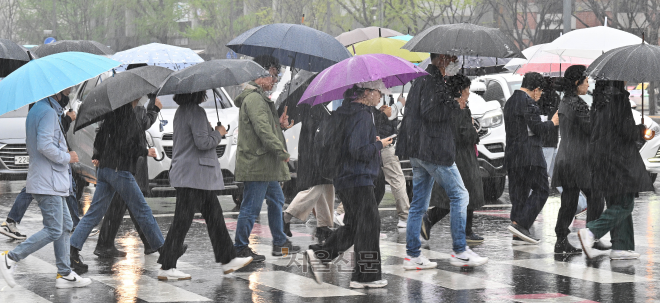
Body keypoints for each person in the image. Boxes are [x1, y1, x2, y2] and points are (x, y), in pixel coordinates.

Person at [396, 53, 488, 269]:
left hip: (419, 149)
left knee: (419, 203)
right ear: (440, 59)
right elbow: (431, 112)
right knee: (460, 194)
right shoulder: (432, 81)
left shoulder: (423, 79)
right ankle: (459, 249)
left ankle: (413, 255)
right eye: (451, 57)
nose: (454, 61)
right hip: (433, 149)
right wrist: (454, 104)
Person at [156, 91, 253, 280]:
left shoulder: (182, 111)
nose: (206, 95)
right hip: (194, 175)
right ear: (197, 93)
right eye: (204, 92)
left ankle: (228, 260)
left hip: (190, 175)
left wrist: (210, 130)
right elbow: (203, 143)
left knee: (213, 215)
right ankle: (167, 267)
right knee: (182, 221)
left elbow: (193, 139)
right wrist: (218, 133)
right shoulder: (196, 112)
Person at [305, 81, 392, 289]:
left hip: (344, 178)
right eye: (378, 92)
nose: (380, 96)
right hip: (358, 178)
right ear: (367, 93)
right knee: (369, 225)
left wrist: (372, 139)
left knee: (356, 225)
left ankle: (321, 254)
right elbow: (358, 150)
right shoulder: (362, 115)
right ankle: (366, 277)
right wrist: (380, 144)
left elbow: (348, 144)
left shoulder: (345, 111)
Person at [0, 91, 91, 289]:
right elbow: (44, 145)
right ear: (55, 92)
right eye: (66, 90)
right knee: (54, 229)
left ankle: (65, 273)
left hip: (49, 179)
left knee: (66, 224)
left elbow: (40, 143)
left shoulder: (39, 109)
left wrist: (62, 151)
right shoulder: (48, 113)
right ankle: (10, 258)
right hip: (47, 181)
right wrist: (67, 157)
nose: (68, 92)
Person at [69, 100, 166, 273]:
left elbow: (100, 136)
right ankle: (165, 251)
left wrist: (98, 154)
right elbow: (126, 146)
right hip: (119, 171)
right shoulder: (129, 115)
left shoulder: (113, 112)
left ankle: (72, 250)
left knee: (94, 213)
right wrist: (145, 151)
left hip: (105, 169)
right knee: (142, 210)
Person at [578, 80, 656, 260]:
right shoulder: (618, 99)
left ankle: (621, 246)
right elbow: (625, 130)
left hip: (603, 160)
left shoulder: (599, 101)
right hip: (618, 159)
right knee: (624, 204)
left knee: (617, 201)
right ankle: (592, 231)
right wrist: (640, 129)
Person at [233, 55, 300, 261]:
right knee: (251, 206)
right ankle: (240, 247)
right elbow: (262, 130)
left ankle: (280, 242)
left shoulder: (259, 98)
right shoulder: (254, 99)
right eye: (273, 75)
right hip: (258, 163)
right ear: (260, 74)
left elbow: (264, 126)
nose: (275, 80)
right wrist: (281, 151)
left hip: (264, 163)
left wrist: (278, 123)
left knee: (276, 199)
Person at [93, 95, 163, 258]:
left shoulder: (122, 99)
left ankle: (147, 242)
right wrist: (155, 110)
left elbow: (104, 132)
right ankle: (106, 243)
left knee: (129, 202)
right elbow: (141, 124)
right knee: (129, 201)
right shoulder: (133, 102)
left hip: (120, 162)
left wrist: (98, 153)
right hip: (126, 162)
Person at [421, 74, 485, 244]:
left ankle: (463, 229)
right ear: (459, 91)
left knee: (455, 193)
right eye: (467, 90)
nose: (469, 93)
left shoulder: (444, 107)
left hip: (450, 154)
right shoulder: (459, 109)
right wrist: (473, 129)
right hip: (462, 157)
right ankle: (437, 221)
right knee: (463, 192)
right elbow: (465, 134)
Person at [551, 65, 603, 254]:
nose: (588, 83)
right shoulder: (577, 103)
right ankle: (592, 235)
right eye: (585, 80)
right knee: (596, 195)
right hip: (577, 160)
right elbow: (592, 129)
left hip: (566, 158)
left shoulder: (566, 101)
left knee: (569, 200)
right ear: (576, 82)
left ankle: (561, 240)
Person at [503, 72, 559, 244]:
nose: (540, 96)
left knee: (519, 193)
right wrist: (553, 122)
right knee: (542, 189)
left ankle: (517, 229)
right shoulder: (528, 102)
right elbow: (537, 128)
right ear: (535, 90)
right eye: (540, 92)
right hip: (530, 155)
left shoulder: (510, 102)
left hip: (513, 155)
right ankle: (522, 223)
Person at [282, 104, 335, 243]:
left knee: (326, 187)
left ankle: (324, 225)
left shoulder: (318, 106)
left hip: (317, 153)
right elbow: (318, 133)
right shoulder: (313, 107)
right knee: (316, 187)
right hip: (316, 155)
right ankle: (287, 216)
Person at [373, 94, 410, 228]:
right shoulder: (374, 100)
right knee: (397, 180)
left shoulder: (380, 100)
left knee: (371, 183)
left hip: (380, 145)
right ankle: (405, 217)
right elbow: (391, 113)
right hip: (382, 146)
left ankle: (343, 212)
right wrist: (400, 103)